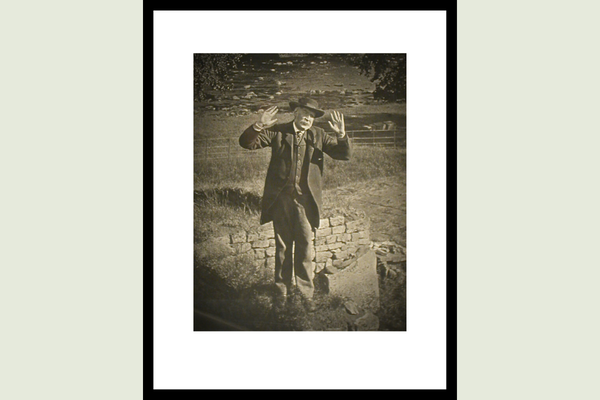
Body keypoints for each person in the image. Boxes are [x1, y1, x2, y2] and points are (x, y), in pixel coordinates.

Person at [239, 97, 351, 312]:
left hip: (305, 202)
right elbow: (247, 143)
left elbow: (344, 155)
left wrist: (341, 135)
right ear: (296, 113)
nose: (309, 119)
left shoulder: (318, 135)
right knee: (282, 248)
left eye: (312, 116)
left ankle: (305, 294)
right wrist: (258, 125)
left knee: (305, 247)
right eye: (305, 113)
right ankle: (281, 292)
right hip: (281, 200)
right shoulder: (279, 131)